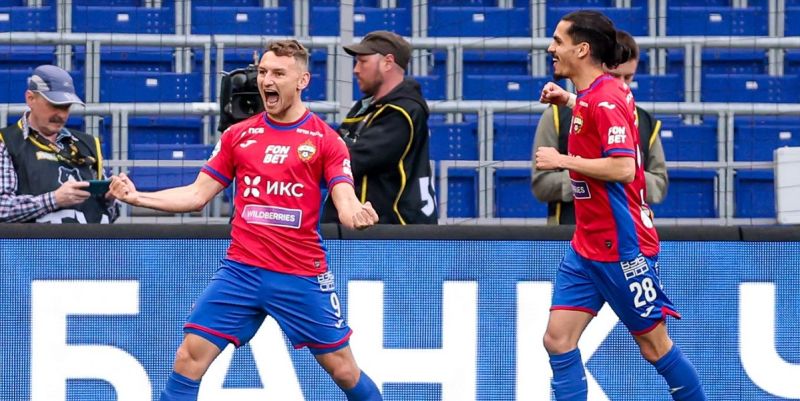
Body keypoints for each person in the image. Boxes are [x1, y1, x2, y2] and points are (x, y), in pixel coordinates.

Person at [109, 40, 383, 401]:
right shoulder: (238, 136)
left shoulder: (326, 141)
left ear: (303, 81)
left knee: (344, 371)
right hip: (241, 271)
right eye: (264, 72)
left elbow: (345, 203)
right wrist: (137, 197)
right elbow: (196, 195)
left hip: (299, 274)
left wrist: (357, 215)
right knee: (188, 358)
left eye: (279, 73)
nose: (267, 81)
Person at [534, 11, 706, 401]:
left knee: (655, 347)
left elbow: (624, 168)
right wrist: (568, 100)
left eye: (558, 41)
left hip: (622, 247)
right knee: (557, 340)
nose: (550, 48)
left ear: (582, 49)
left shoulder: (607, 97)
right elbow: (598, 111)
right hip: (587, 245)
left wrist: (562, 160)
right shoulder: (600, 93)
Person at [532, 30, 668, 225]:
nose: (621, 84)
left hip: (626, 228)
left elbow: (658, 185)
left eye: (628, 77)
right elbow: (541, 185)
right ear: (597, 66)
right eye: (614, 76)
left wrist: (608, 172)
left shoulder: (646, 121)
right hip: (569, 227)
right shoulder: (556, 114)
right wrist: (599, 174)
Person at [321, 30, 438, 225]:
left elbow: (349, 162)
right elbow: (335, 148)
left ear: (387, 62)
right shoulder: (366, 106)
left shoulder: (402, 112)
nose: (356, 69)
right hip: (367, 227)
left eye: (363, 61)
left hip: (393, 230)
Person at [0, 64, 118, 223]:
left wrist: (111, 198)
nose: (61, 115)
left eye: (66, 107)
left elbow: (110, 214)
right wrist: (54, 199)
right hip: (37, 240)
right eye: (54, 105)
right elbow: (2, 208)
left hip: (91, 239)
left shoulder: (89, 144)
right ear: (30, 99)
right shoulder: (6, 142)